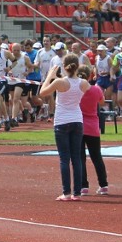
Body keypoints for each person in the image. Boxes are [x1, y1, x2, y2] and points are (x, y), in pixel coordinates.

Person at [39, 53, 90, 201]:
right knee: (77, 158)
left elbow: (43, 92)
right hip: (77, 120)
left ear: (64, 66)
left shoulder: (60, 82)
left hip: (62, 121)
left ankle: (66, 192)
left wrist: (50, 75)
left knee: (64, 159)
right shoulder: (84, 83)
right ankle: (77, 192)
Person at [77, 65, 109, 196]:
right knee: (97, 157)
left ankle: (83, 186)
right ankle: (104, 184)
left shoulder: (77, 90)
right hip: (93, 126)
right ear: (90, 75)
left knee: (80, 158)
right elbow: (102, 103)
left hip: (79, 125)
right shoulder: (96, 89)